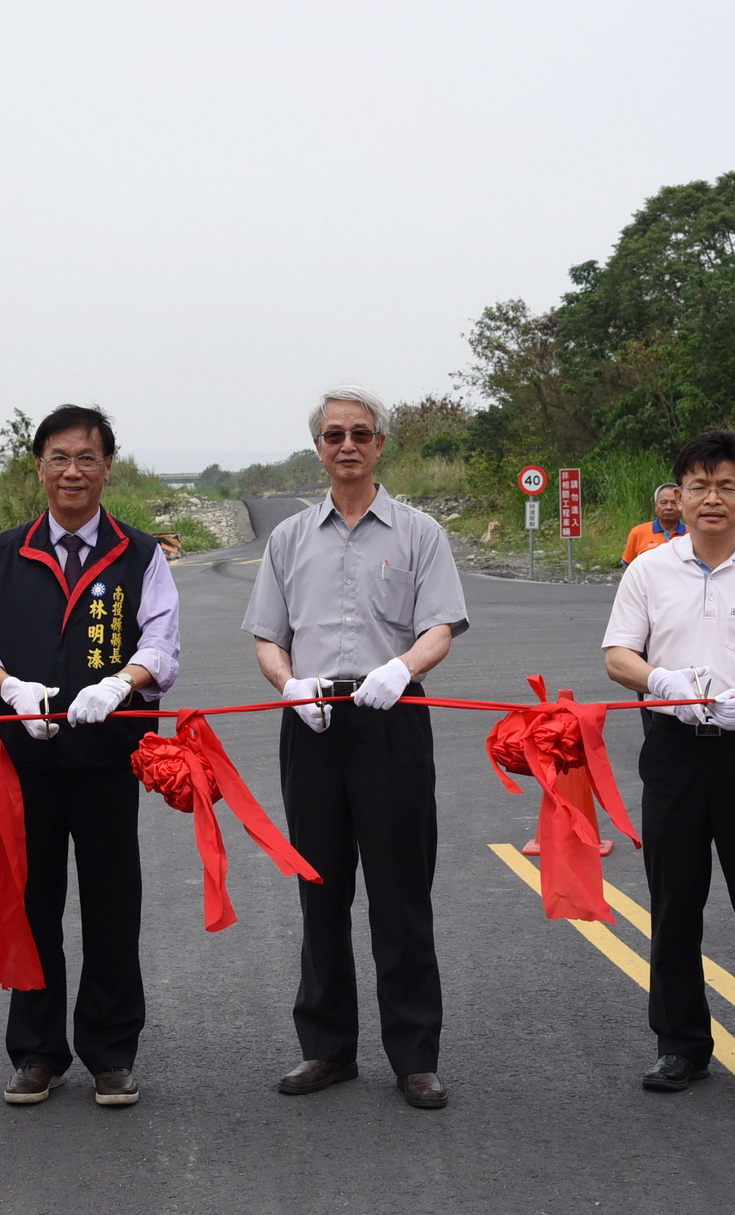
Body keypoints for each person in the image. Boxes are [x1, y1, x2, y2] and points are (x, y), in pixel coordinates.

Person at [241, 385, 469, 1110]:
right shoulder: (288, 539)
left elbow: (439, 626)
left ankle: (415, 1055)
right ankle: (327, 1047)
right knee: (320, 888)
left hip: (391, 718)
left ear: (380, 445)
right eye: (334, 434)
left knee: (400, 893)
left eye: (360, 433)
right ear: (318, 447)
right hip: (311, 723)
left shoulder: (420, 533)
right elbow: (268, 636)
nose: (347, 445)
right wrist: (289, 685)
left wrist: (401, 669)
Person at [0, 405, 181, 1109]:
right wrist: (8, 687)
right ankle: (37, 1052)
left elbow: (162, 645)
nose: (72, 471)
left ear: (108, 466)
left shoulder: (139, 553)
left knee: (113, 904)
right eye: (59, 457)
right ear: (39, 467)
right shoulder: (4, 552)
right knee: (31, 901)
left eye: (86, 457)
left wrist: (121, 683)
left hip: (109, 758)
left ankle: (110, 1053)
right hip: (22, 763)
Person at [601, 430, 735, 1105]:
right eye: (699, 485)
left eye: (726, 485)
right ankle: (681, 1045)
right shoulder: (648, 569)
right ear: (679, 495)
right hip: (673, 749)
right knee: (674, 902)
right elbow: (618, 655)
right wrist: (660, 680)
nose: (712, 498)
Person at [619, 483, 687, 565]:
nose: (669, 507)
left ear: (681, 505)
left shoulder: (692, 534)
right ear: (655, 507)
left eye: (674, 503)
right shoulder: (638, 533)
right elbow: (629, 568)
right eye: (663, 502)